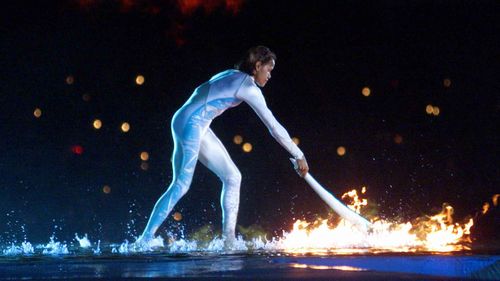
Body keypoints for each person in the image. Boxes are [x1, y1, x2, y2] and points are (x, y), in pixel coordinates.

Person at [137, 46, 309, 247]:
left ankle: (229, 242)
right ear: (257, 66)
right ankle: (144, 240)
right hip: (191, 123)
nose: (270, 75)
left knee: (233, 177)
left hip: (192, 122)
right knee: (181, 184)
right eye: (268, 69)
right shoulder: (248, 87)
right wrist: (298, 154)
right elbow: (273, 127)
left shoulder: (232, 74)